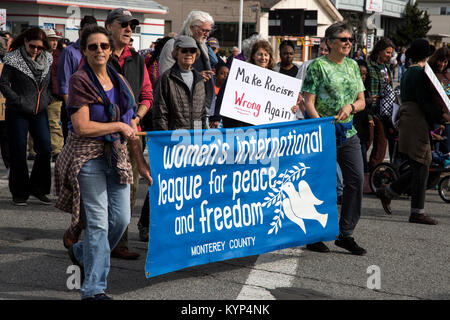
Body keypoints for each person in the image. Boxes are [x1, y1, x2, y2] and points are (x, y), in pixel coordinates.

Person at [54, 25, 152, 300]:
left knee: (120, 221)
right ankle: (93, 289)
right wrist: (118, 125)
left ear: (111, 50)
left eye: (104, 46)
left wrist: (141, 163)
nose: (99, 50)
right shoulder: (79, 80)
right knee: (98, 224)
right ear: (84, 51)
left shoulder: (119, 81)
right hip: (88, 157)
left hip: (117, 156)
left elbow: (131, 123)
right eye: (93, 46)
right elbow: (81, 126)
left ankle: (82, 252)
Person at [302, 21, 367, 255]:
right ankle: (314, 235)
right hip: (323, 133)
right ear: (329, 42)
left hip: (348, 133)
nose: (348, 42)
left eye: (350, 39)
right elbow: (308, 101)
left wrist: (351, 107)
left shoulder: (352, 66)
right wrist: (322, 122)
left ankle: (346, 233)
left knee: (356, 180)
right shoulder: (318, 66)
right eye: (343, 39)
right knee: (321, 185)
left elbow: (362, 100)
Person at [104, 7, 154, 260]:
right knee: (99, 191)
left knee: (129, 190)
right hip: (102, 135)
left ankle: (119, 243)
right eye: (123, 24)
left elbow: (147, 94)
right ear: (109, 26)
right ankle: (86, 233)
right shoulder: (96, 54)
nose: (129, 29)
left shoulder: (137, 59)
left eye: (131, 26)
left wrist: (136, 117)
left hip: (132, 135)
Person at [376, 39, 443, 225]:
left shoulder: (408, 72)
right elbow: (424, 101)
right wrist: (439, 116)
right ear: (427, 56)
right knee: (421, 164)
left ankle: (389, 191)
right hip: (416, 119)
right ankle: (416, 212)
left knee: (419, 165)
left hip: (409, 117)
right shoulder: (420, 74)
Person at [0, 27, 53, 206]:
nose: (36, 50)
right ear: (25, 42)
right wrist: (18, 100)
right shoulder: (13, 59)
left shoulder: (47, 59)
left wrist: (48, 98)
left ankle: (38, 188)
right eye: (33, 46)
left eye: (40, 47)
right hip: (18, 110)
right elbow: (4, 84)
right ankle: (20, 192)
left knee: (45, 148)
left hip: (40, 110)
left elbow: (51, 83)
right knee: (18, 150)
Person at [158, 10, 215, 117]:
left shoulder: (202, 46)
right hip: (178, 113)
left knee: (198, 133)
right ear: (192, 27)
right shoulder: (172, 45)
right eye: (204, 30)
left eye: (209, 31)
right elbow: (166, 79)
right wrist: (196, 78)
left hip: (200, 111)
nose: (207, 34)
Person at [211, 39, 275, 128]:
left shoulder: (274, 78)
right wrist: (216, 117)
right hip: (237, 123)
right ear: (253, 56)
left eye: (266, 55)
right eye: (260, 54)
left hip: (261, 125)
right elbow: (223, 93)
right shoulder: (240, 72)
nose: (263, 58)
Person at [58, 15, 98, 142]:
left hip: (92, 108)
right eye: (87, 30)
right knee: (71, 144)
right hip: (74, 106)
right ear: (80, 32)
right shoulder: (69, 52)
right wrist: (71, 110)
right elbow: (64, 84)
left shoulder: (98, 52)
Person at [366, 38, 396, 171]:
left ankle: (374, 174)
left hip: (384, 111)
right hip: (370, 111)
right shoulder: (368, 66)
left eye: (391, 53)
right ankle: (365, 174)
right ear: (379, 51)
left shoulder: (387, 67)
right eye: (388, 52)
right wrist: (368, 114)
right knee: (367, 143)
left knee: (381, 145)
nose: (390, 56)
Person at [354, 60, 375, 193]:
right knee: (358, 154)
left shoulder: (365, 89)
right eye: (360, 74)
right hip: (354, 125)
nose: (363, 77)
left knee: (363, 153)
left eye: (365, 74)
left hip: (363, 127)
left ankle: (365, 183)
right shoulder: (351, 87)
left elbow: (368, 110)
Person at [428, 47, 450, 154]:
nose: (442, 64)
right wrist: (439, 116)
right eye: (440, 61)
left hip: (448, 121)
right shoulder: (430, 74)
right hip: (436, 121)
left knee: (447, 154)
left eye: (445, 62)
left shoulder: (448, 75)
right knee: (436, 154)